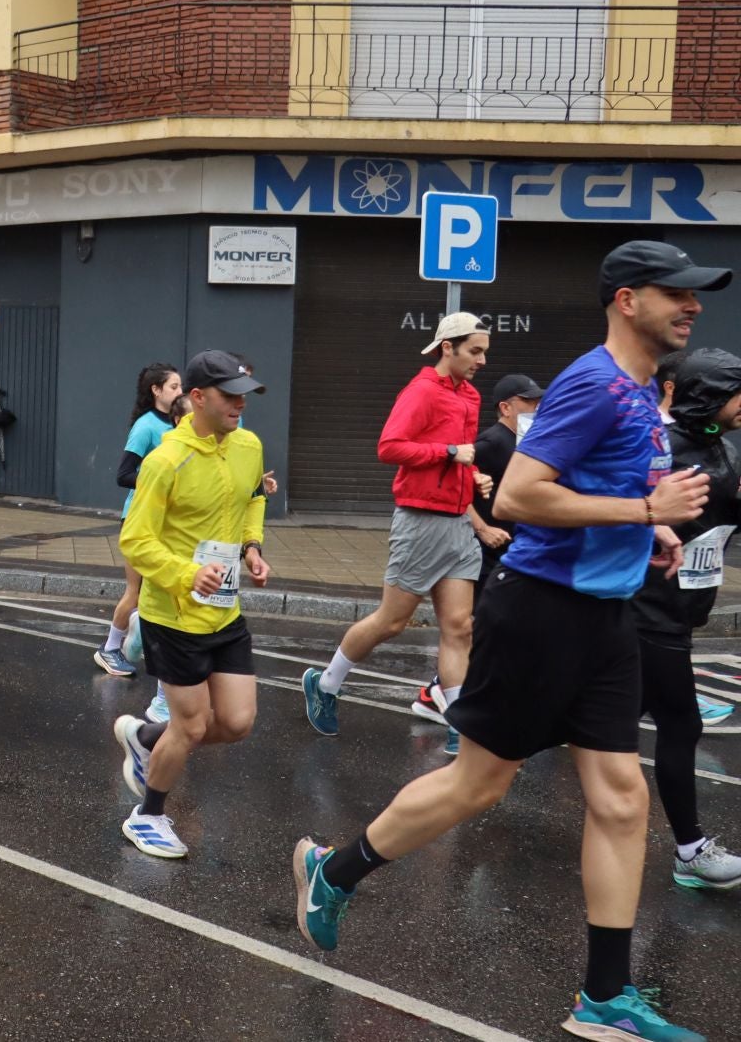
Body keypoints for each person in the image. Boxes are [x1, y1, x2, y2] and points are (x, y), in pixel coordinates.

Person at [293, 240, 730, 1042]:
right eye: (677, 293)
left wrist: (649, 533)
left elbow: (607, 484)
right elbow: (523, 495)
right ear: (627, 300)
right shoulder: (594, 384)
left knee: (622, 798)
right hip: (540, 615)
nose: (693, 305)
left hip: (608, 619)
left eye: (695, 294)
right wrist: (645, 512)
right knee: (478, 785)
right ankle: (335, 869)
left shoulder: (640, 391)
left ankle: (604, 997)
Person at [107, 352, 269, 860]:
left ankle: (147, 738)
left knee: (237, 722)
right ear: (197, 398)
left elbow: (252, 497)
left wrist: (252, 546)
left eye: (244, 395)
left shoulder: (248, 446)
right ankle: (147, 815)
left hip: (224, 609)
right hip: (173, 614)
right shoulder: (165, 460)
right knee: (193, 725)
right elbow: (135, 540)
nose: (240, 404)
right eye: (229, 395)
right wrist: (185, 574)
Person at [302, 312, 491, 740]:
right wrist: (449, 453)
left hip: (458, 523)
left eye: (484, 352)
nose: (481, 360)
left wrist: (473, 475)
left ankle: (458, 723)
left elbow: (460, 456)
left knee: (460, 627)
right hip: (421, 521)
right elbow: (390, 447)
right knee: (391, 622)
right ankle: (326, 683)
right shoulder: (422, 390)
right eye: (475, 351)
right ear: (448, 347)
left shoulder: (471, 395)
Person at [631, 347, 741, 892]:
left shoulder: (723, 447)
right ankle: (691, 851)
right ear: (709, 396)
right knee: (681, 724)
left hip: (682, 609)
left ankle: (490, 746)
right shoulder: (659, 448)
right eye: (737, 395)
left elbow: (724, 514)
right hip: (647, 608)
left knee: (593, 719)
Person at [95, 363, 184, 681]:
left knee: (161, 590)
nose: (180, 391)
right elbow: (123, 475)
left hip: (166, 521)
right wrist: (159, 483)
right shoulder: (146, 426)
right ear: (156, 391)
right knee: (136, 590)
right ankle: (109, 648)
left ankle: (144, 637)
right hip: (138, 519)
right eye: (173, 386)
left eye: (181, 386)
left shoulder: (179, 424)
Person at [468, 373, 542, 595]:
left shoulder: (525, 441)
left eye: (539, 401)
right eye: (529, 401)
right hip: (487, 554)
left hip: (516, 549)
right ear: (506, 408)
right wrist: (483, 530)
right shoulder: (491, 442)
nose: (537, 407)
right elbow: (454, 489)